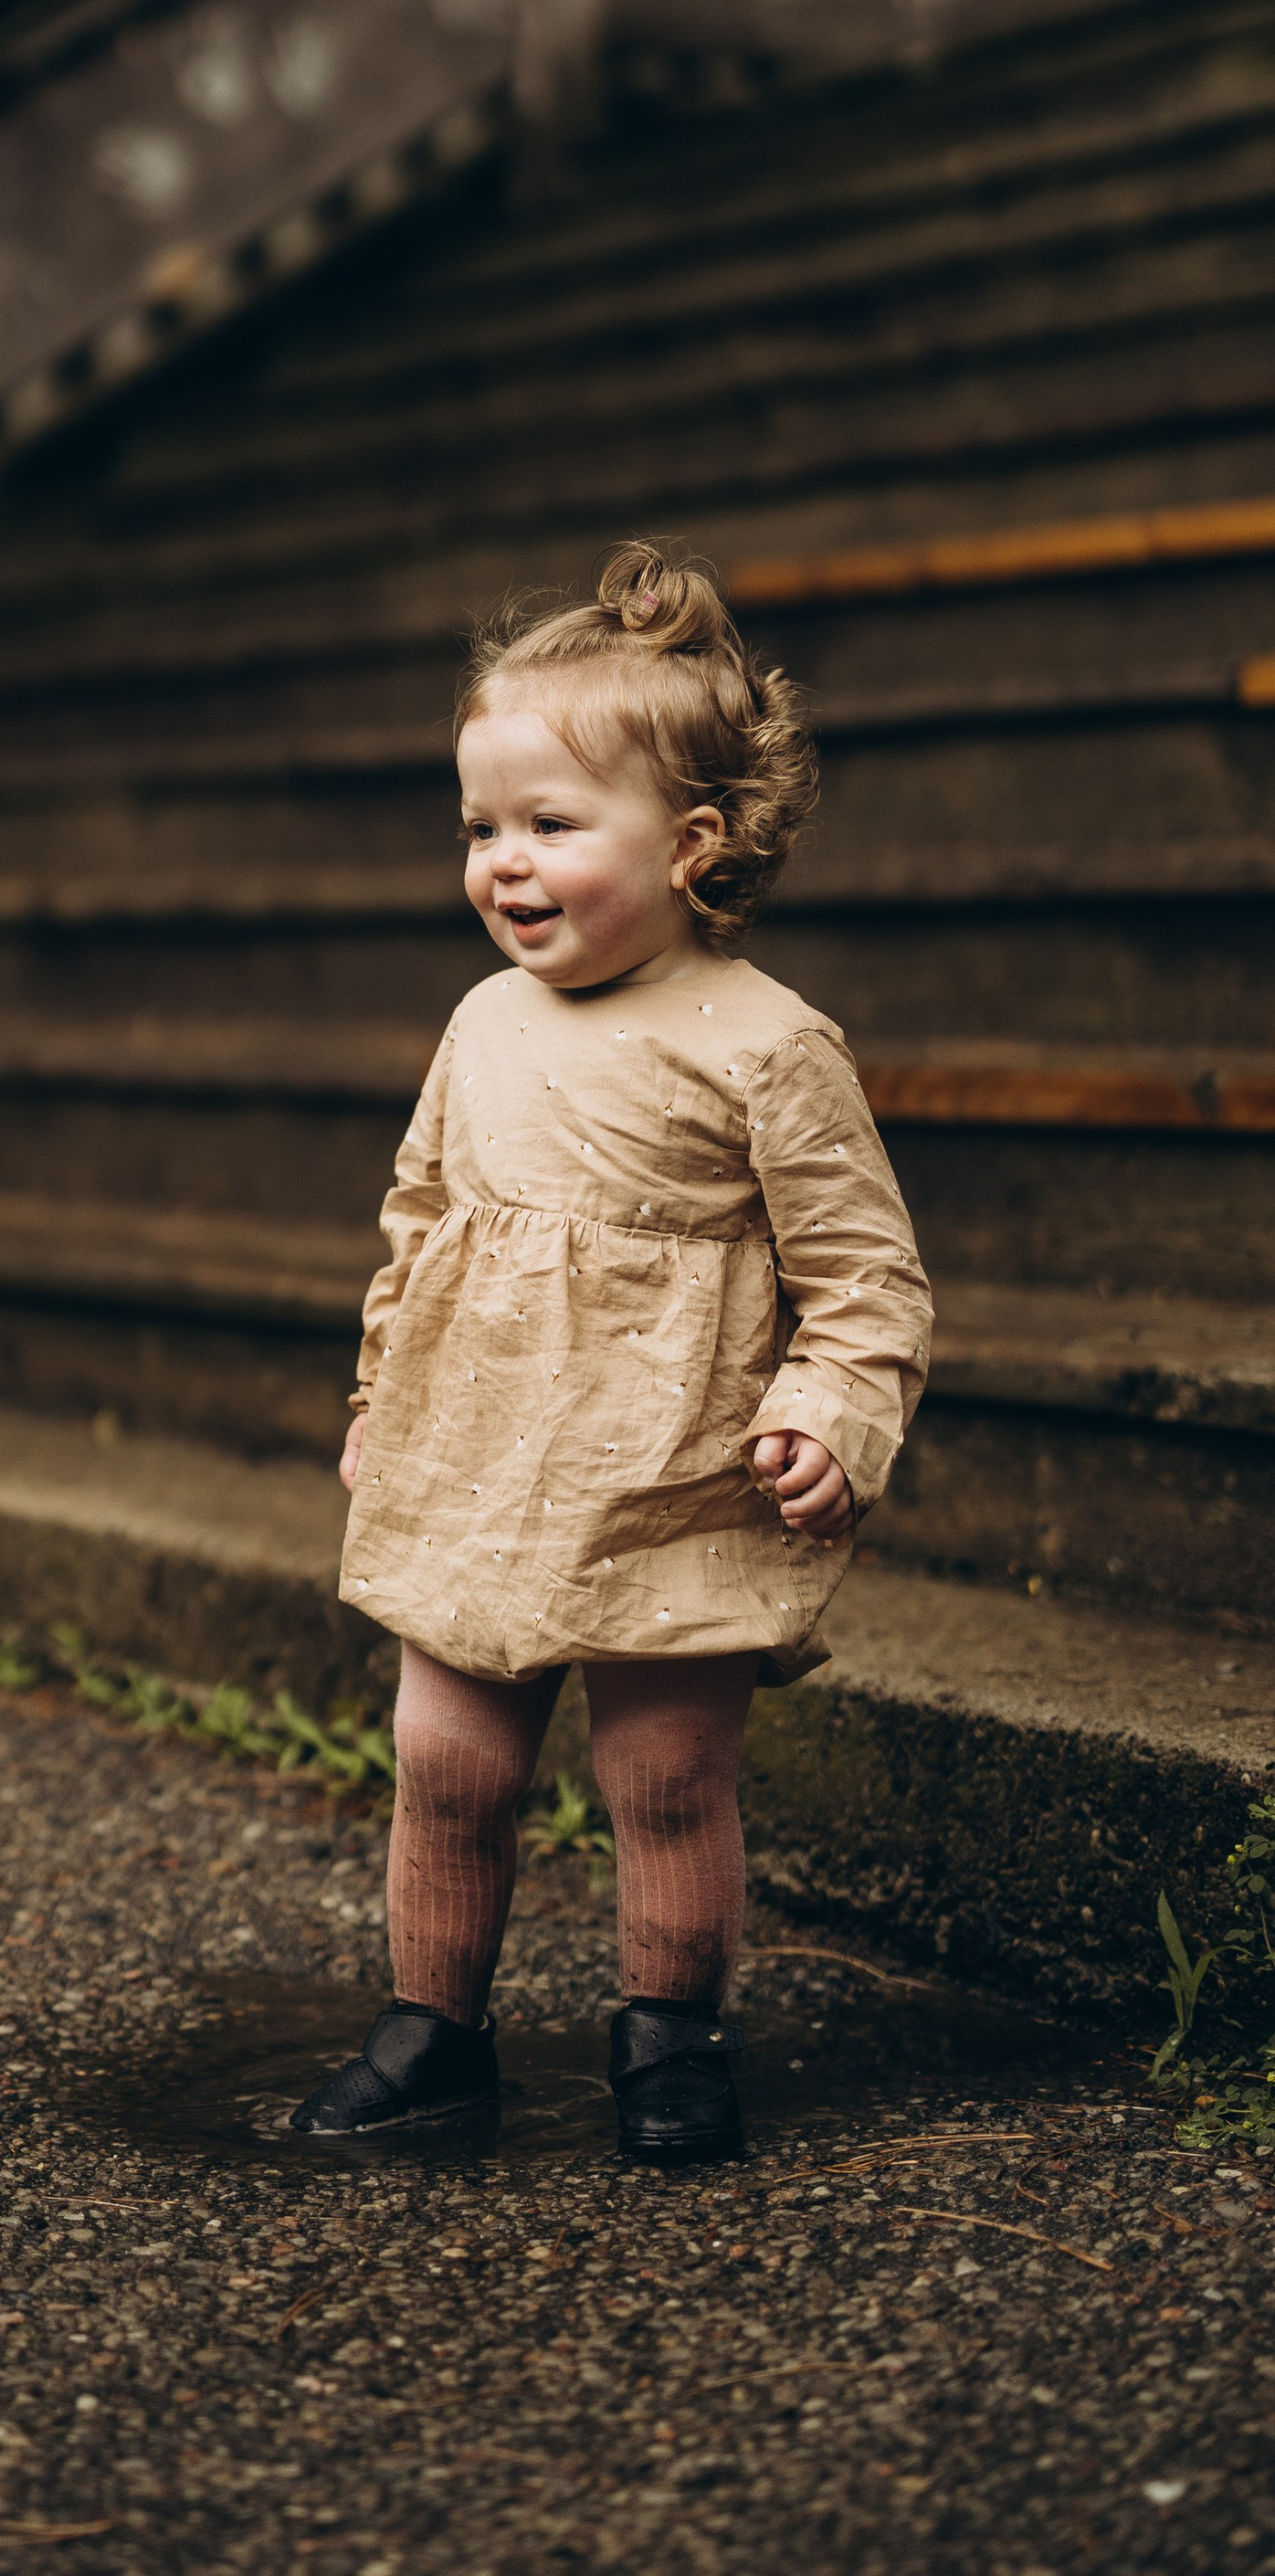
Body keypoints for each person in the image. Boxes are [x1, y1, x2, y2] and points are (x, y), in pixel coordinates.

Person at [290, 541, 931, 2166]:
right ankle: (434, 2029)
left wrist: (832, 1411)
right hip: (481, 1456)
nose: (504, 863)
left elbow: (865, 1276)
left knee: (662, 1779)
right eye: (480, 827)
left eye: (550, 827)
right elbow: (418, 1220)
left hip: (671, 1472)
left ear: (693, 843)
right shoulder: (480, 1025)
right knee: (444, 1761)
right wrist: (384, 1396)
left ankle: (670, 2039)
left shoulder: (769, 1045)